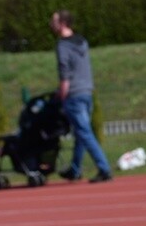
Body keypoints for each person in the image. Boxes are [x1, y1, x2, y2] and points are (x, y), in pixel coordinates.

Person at [48, 10, 113, 184]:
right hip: (86, 92)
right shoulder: (82, 41)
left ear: (62, 23)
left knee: (84, 133)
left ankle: (104, 168)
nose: (51, 24)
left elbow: (65, 73)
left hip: (74, 94)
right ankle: (75, 169)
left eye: (54, 21)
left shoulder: (62, 46)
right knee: (80, 133)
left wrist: (61, 95)